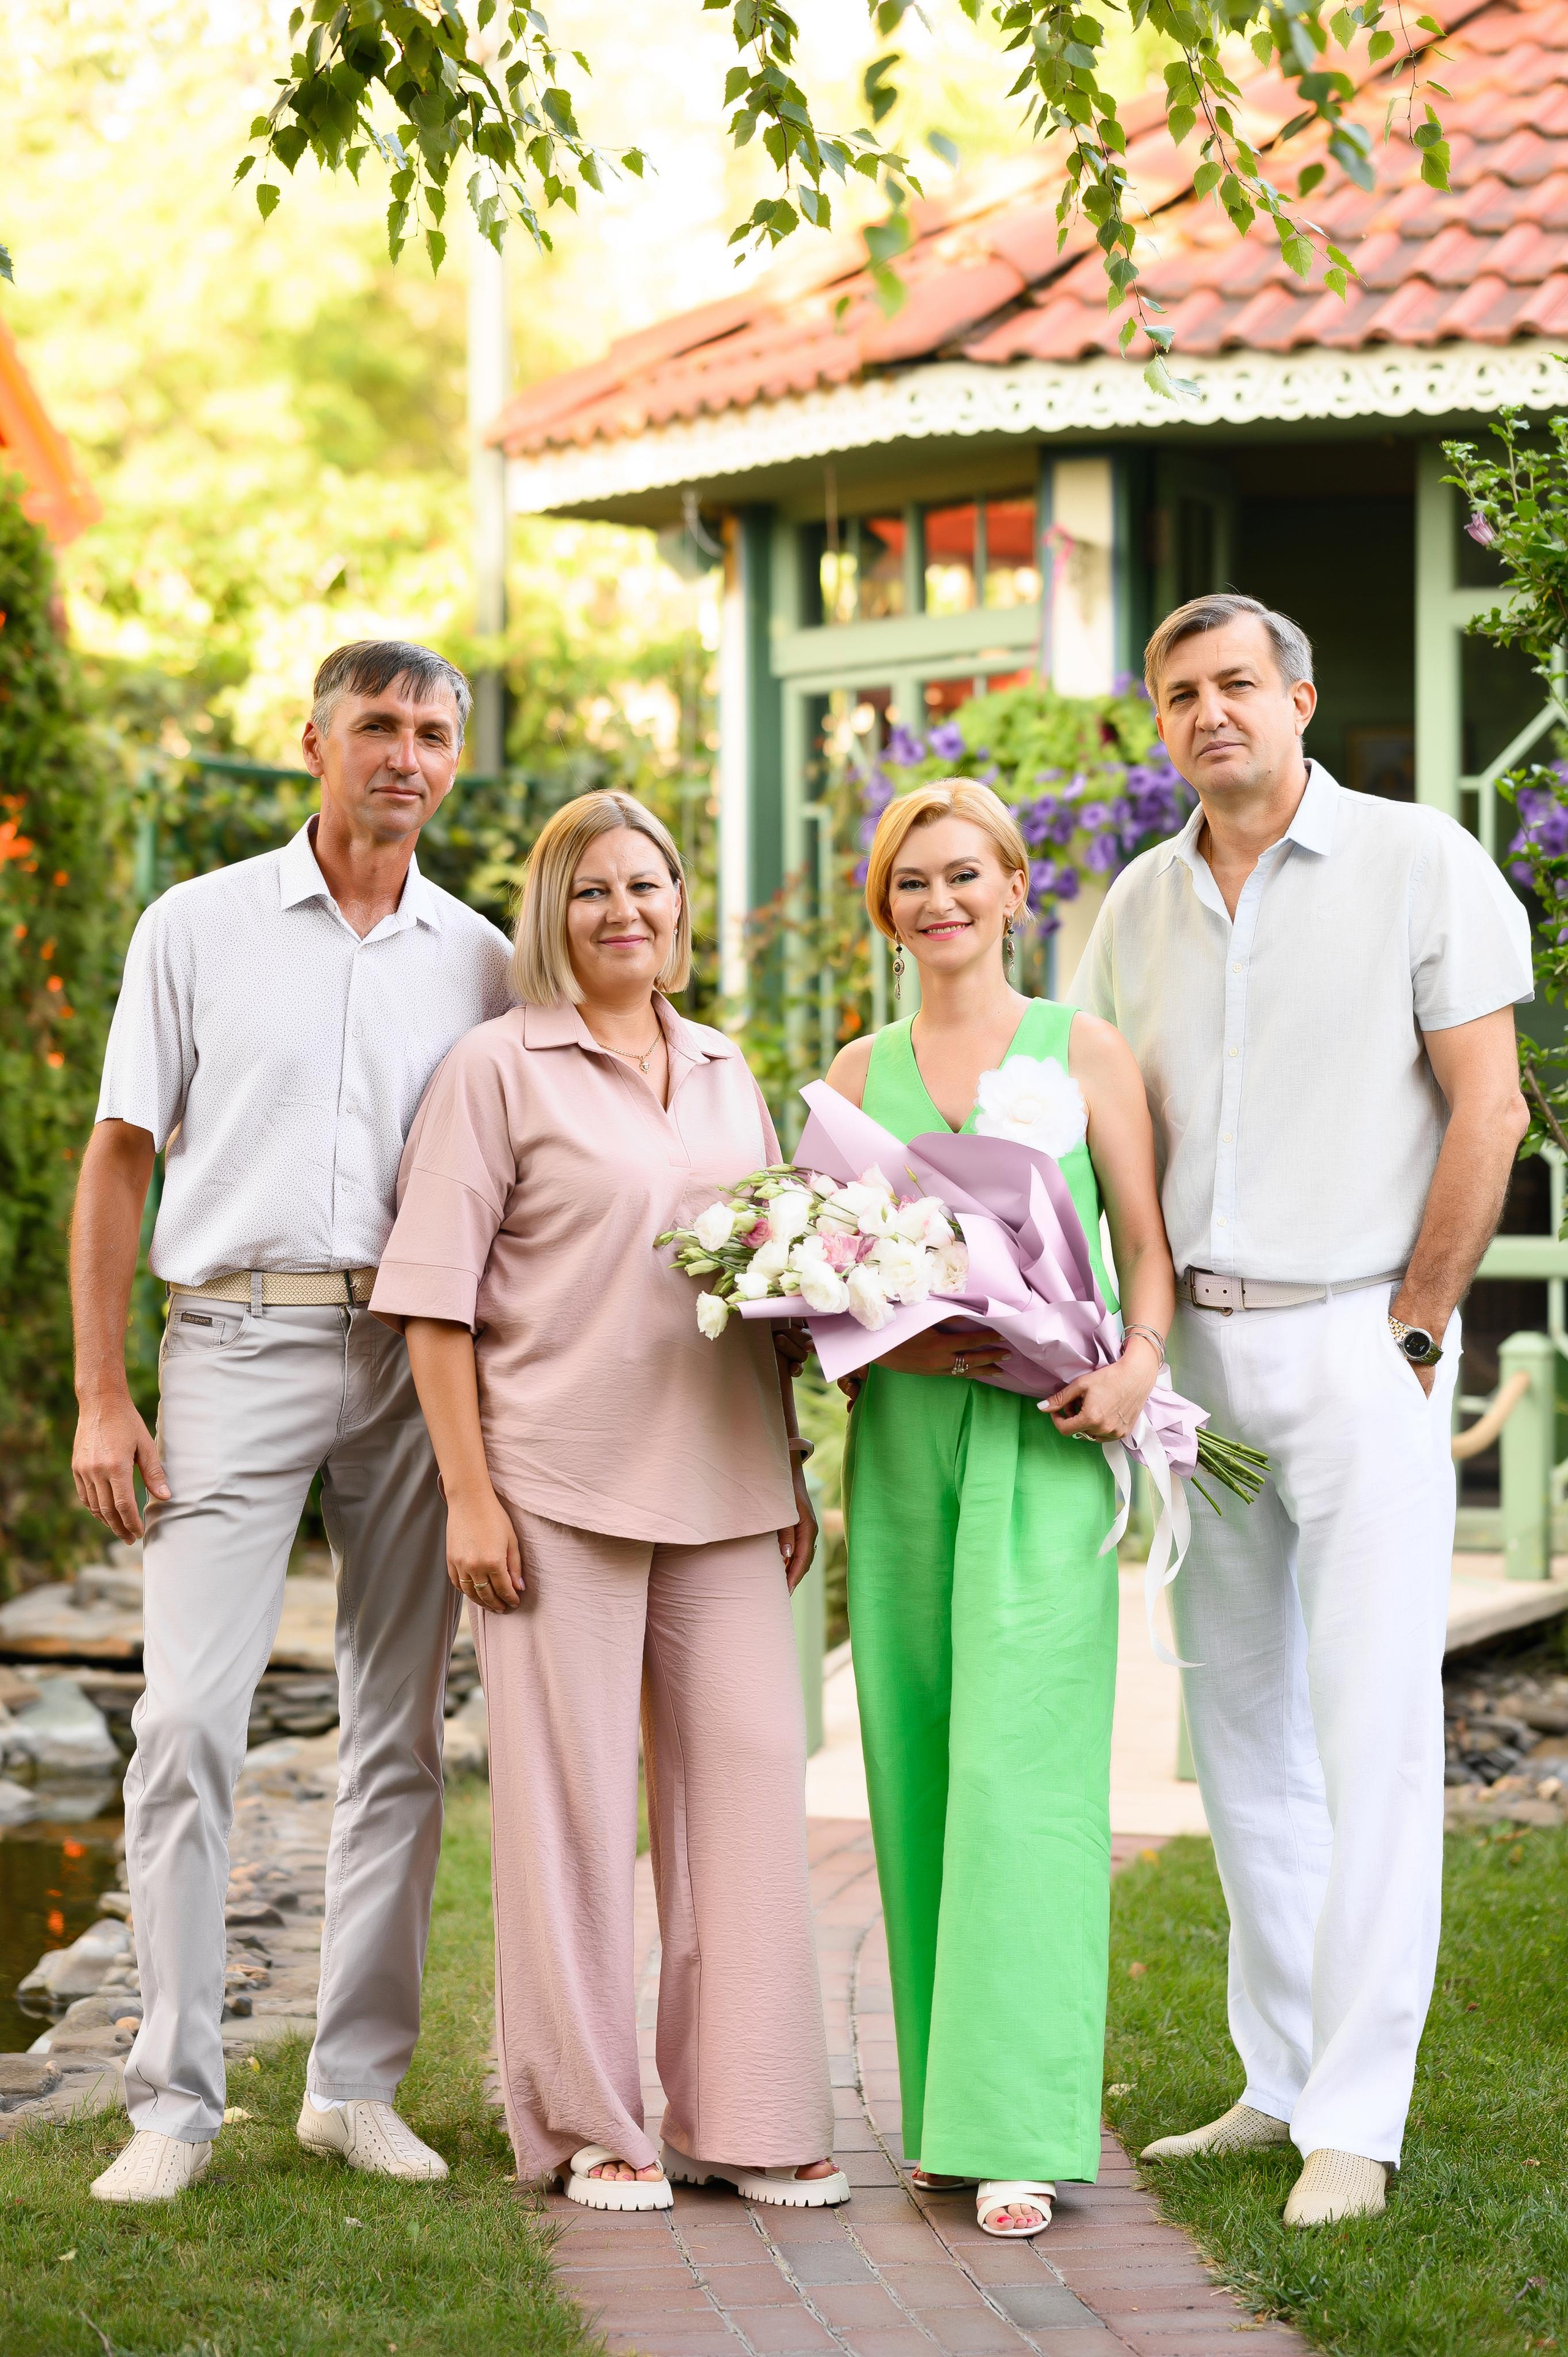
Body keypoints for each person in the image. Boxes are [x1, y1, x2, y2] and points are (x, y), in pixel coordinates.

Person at [1071, 592, 1532, 2227]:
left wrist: (1416, 1326)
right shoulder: (1133, 907)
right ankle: (1278, 2079)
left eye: (1239, 684)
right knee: (1242, 1731)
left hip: (1361, 1350)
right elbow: (1105, 1131)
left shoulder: (1423, 866)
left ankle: (1362, 2111)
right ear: (1161, 721)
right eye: (1181, 693)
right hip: (1200, 1367)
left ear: (1303, 698)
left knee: (1374, 1733)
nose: (1212, 713)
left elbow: (1493, 1102)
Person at [70, 640, 514, 2204]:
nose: (405, 754)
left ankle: (352, 2084)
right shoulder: (195, 926)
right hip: (231, 1342)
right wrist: (104, 1391)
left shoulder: (482, 957)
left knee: (398, 1730)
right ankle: (172, 2102)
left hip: (412, 1357)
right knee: (187, 1719)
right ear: (311, 742)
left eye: (432, 732)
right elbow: (121, 1156)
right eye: (378, 727)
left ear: (453, 761)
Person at [369, 789, 845, 2212]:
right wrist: (468, 1496)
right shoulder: (493, 1068)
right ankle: (591, 2127)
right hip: (551, 1487)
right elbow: (434, 1305)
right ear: (551, 916)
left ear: (680, 907)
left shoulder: (722, 1067)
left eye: (646, 885)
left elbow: (757, 1277)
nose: (623, 910)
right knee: (570, 1817)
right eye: (591, 891)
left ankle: (747, 2119)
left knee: (750, 1791)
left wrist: (787, 1462)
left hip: (723, 1480)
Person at [822, 779, 1177, 2241]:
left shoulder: (1083, 1049)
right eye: (911, 882)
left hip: (1042, 1438)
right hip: (905, 1442)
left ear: (1017, 885)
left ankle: (1022, 2127)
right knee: (911, 1761)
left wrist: (1132, 1372)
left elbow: (1145, 1250)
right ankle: (939, 2114)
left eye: (964, 873)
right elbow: (819, 1279)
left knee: (1025, 1781)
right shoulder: (853, 1069)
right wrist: (885, 1337)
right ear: (884, 906)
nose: (939, 901)